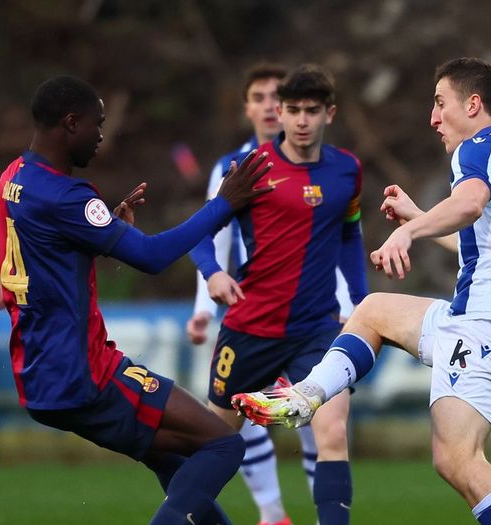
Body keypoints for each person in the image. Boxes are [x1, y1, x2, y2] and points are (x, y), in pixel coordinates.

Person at [235, 57, 491, 525]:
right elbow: (482, 243)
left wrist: (408, 233)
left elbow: (468, 204)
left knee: (461, 460)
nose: (434, 117)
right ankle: (306, 397)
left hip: (490, 324)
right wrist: (417, 216)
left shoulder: (478, 147)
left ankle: (304, 398)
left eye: (441, 103)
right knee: (375, 311)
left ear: (474, 104)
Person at [0, 75, 273, 525]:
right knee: (225, 444)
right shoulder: (68, 196)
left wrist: (106, 234)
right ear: (70, 123)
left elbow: (48, 251)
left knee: (172, 461)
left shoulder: (15, 176)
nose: (102, 136)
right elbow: (151, 256)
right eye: (96, 124)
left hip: (38, 374)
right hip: (83, 374)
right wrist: (225, 203)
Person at [190, 64, 368, 525]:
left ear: (330, 113)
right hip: (251, 327)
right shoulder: (249, 170)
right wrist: (211, 274)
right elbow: (199, 233)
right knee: (213, 446)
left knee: (332, 432)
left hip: (317, 328)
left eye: (312, 111)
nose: (302, 120)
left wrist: (361, 304)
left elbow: (349, 234)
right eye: (293, 110)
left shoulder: (347, 170)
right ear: (280, 113)